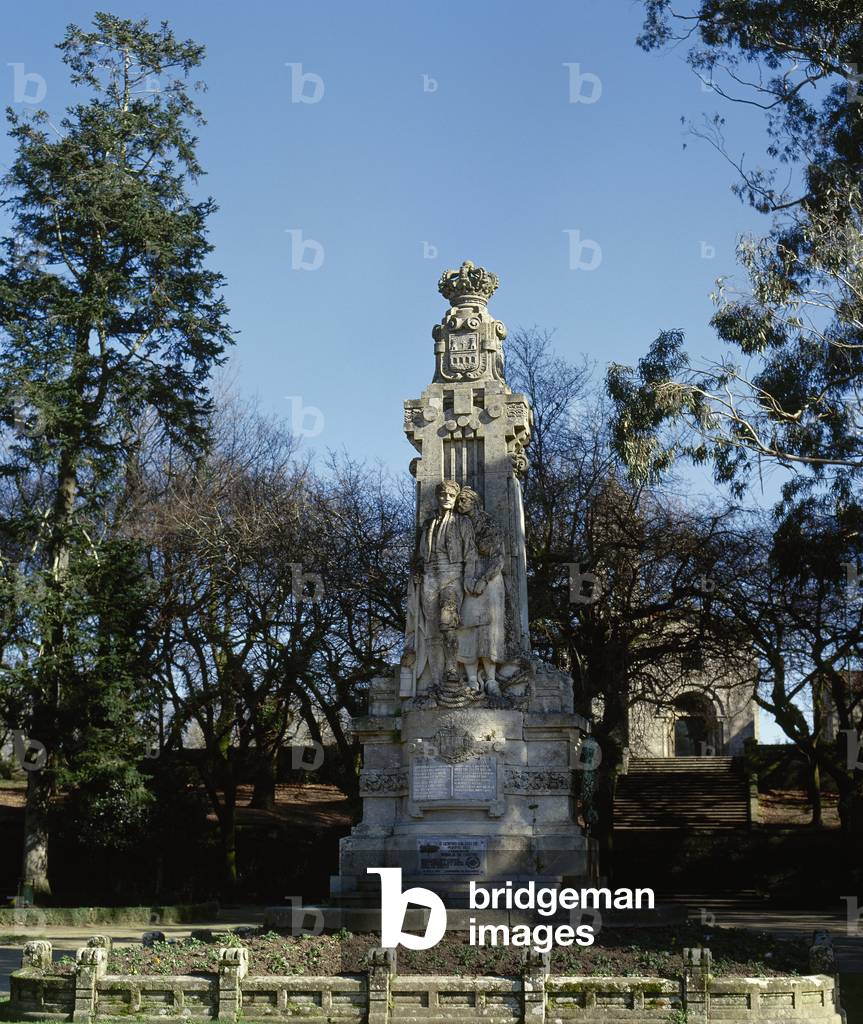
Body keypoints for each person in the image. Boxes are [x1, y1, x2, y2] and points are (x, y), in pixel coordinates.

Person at [402, 480, 476, 691]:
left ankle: (452, 668)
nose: (446, 498)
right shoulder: (428, 523)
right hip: (429, 576)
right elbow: (418, 554)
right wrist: (417, 570)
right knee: (432, 627)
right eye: (443, 495)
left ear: (455, 499)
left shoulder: (463, 522)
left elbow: (470, 552)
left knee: (447, 621)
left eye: (451, 496)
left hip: (452, 574)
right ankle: (435, 678)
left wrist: (470, 578)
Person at [456, 486, 506, 696]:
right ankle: (471, 678)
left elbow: (497, 556)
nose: (460, 504)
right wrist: (468, 579)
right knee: (467, 627)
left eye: (464, 501)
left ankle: (492, 679)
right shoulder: (458, 525)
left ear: (474, 502)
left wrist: (483, 579)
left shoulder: (489, 523)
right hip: (466, 579)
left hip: (490, 579)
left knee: (489, 631)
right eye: (459, 501)